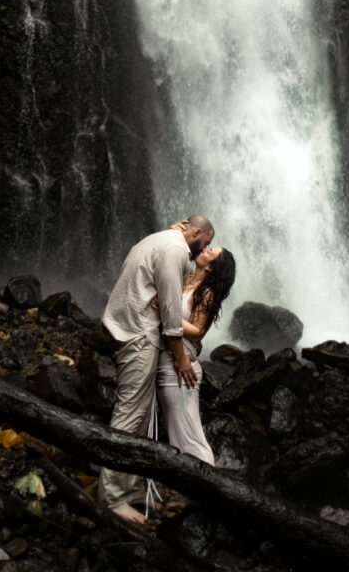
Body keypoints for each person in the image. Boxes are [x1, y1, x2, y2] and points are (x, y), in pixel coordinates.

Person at [97, 215, 214, 523]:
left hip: (128, 328)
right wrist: (180, 357)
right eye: (207, 243)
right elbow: (171, 312)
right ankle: (111, 499)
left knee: (141, 412)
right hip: (138, 334)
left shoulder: (161, 240)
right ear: (197, 232)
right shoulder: (175, 250)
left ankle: (132, 489)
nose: (204, 249)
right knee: (130, 413)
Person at [156, 245, 236, 464]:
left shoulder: (207, 293)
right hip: (170, 362)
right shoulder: (188, 279)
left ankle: (208, 481)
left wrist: (168, 317)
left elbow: (198, 331)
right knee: (177, 433)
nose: (205, 249)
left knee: (188, 436)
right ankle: (189, 491)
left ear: (211, 268)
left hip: (183, 368)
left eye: (210, 252)